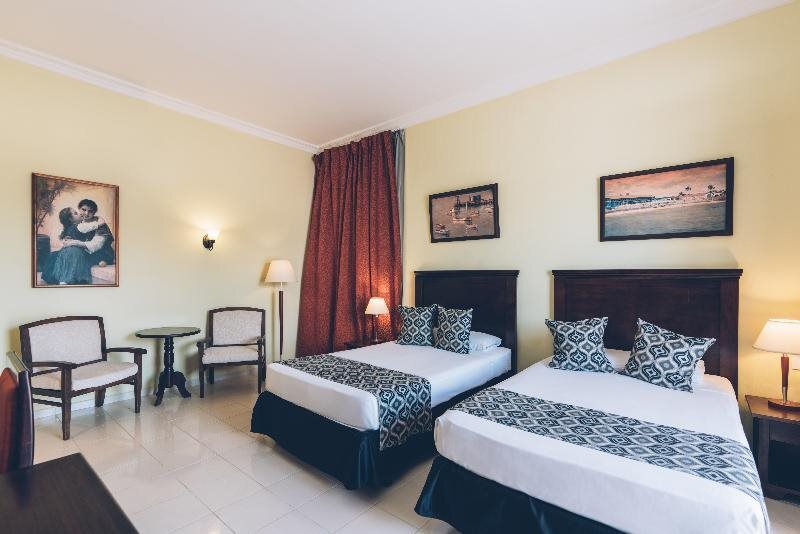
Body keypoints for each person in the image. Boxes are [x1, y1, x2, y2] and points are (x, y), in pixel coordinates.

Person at [41, 207, 94, 285]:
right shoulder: (74, 228)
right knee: (67, 255)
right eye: (75, 213)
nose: (80, 214)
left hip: (77, 250)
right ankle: (66, 278)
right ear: (71, 219)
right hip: (75, 251)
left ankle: (63, 278)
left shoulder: (77, 227)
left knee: (58, 255)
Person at [76, 198, 115, 266]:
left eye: (90, 211)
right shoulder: (78, 221)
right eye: (84, 210)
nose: (86, 213)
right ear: (79, 209)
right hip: (84, 250)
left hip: (101, 252)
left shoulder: (100, 224)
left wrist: (75, 243)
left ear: (94, 213)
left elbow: (97, 245)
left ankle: (106, 260)